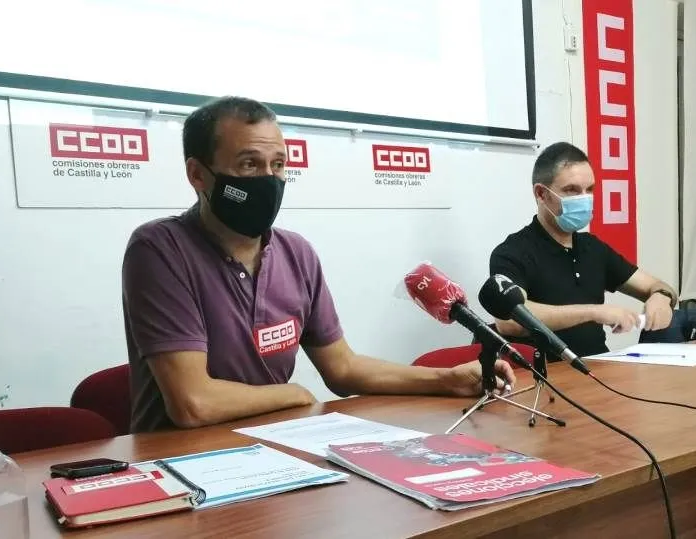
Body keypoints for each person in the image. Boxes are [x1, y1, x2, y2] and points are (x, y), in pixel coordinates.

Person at [122, 96, 515, 433]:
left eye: (277, 165)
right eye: (248, 165)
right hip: (179, 467)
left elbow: (342, 367)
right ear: (197, 174)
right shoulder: (159, 249)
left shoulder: (296, 254)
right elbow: (194, 403)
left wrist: (447, 380)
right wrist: (294, 394)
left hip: (274, 449)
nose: (268, 179)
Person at [488, 141, 678, 357]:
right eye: (571, 190)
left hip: (599, 369)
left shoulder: (593, 248)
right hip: (545, 377)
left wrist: (661, 297)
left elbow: (659, 286)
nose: (584, 199)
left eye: (590, 190)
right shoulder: (512, 252)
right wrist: (594, 312)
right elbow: (511, 319)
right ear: (541, 194)